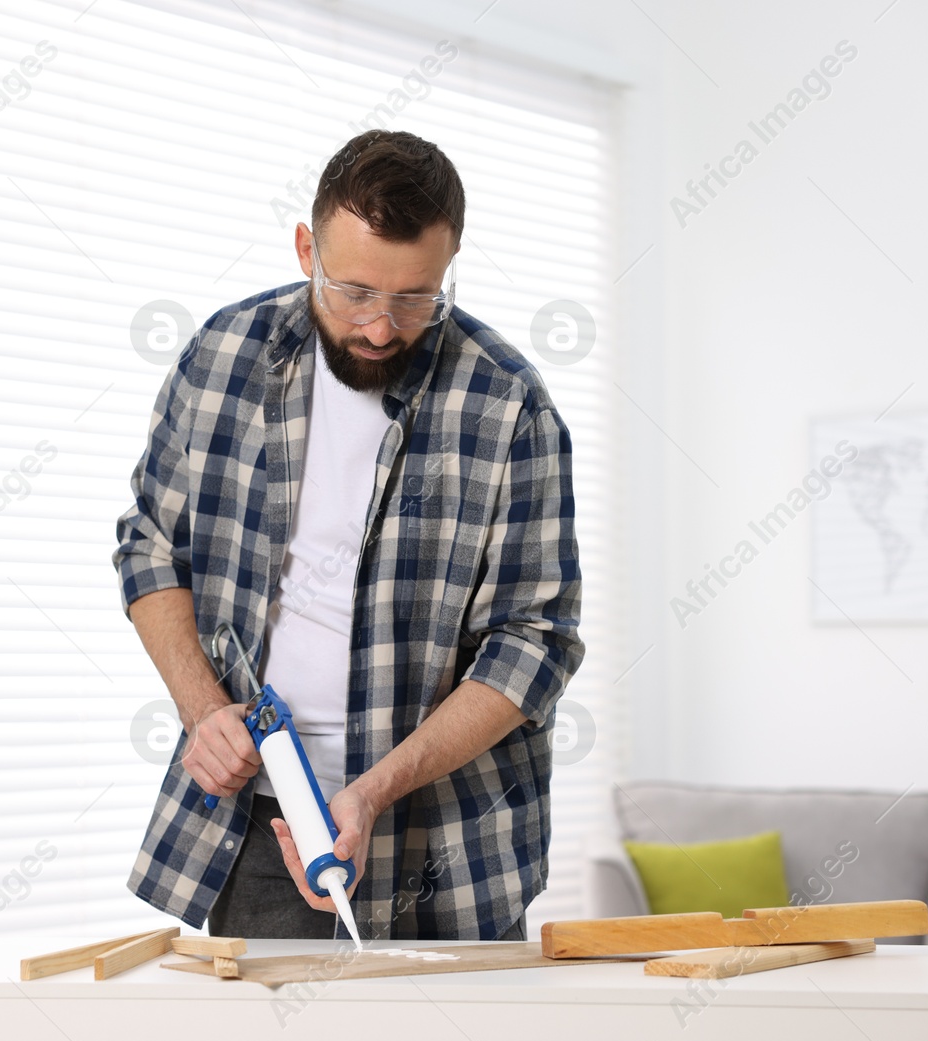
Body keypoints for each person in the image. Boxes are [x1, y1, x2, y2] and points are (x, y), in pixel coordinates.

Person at [115, 129, 583, 942]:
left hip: (449, 845)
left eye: (414, 298)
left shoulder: (510, 406)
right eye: (356, 290)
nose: (378, 326)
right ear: (306, 248)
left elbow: (533, 642)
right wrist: (203, 711)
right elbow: (152, 547)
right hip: (255, 827)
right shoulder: (223, 355)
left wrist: (371, 790)